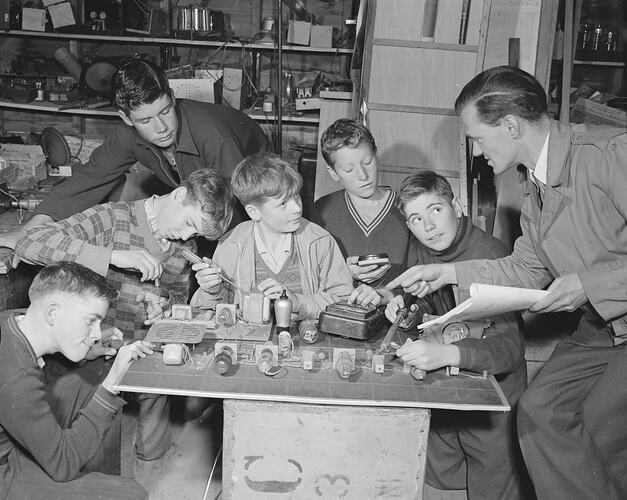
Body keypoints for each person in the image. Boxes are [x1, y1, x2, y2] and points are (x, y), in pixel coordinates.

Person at [386, 65, 627, 500]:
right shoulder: (534, 187)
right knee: (538, 413)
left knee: (599, 436)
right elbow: (525, 268)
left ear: (512, 126)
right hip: (599, 330)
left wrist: (590, 283)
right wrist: (447, 272)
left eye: (477, 138)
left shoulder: (609, 155)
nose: (476, 152)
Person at [14, 168, 233, 458]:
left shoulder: (184, 246)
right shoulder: (111, 219)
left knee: (172, 421)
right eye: (188, 223)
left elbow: (177, 297)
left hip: (141, 351)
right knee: (86, 445)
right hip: (89, 350)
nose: (185, 235)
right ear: (179, 195)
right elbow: (30, 241)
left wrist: (161, 303)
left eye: (195, 233)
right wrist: (112, 257)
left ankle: (150, 464)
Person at [0, 58, 267, 249]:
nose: (161, 128)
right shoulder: (126, 136)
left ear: (172, 98)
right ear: (126, 118)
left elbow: (238, 206)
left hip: (255, 179)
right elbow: (87, 181)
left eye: (165, 112)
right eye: (145, 120)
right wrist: (33, 227)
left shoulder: (213, 136)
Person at [382, 171, 527, 499]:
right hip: (443, 392)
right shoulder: (423, 249)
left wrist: (447, 354)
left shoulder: (491, 257)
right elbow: (431, 302)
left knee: (490, 488)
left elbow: (509, 349)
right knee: (440, 482)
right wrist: (407, 308)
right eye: (416, 218)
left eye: (435, 210)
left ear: (458, 206)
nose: (428, 226)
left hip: (492, 401)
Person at [0, 261, 152, 500]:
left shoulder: (13, 320)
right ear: (52, 313)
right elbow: (61, 465)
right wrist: (110, 388)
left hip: (11, 433)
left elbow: (38, 374)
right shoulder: (16, 378)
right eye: (91, 321)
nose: (95, 334)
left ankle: (94, 475)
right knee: (131, 495)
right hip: (5, 467)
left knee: (96, 370)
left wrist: (81, 351)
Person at [191, 153, 361, 319]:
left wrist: (297, 302)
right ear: (254, 212)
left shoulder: (319, 241)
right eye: (283, 203)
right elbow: (206, 313)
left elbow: (344, 302)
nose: (297, 208)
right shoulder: (231, 245)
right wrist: (212, 291)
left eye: (296, 196)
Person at [313, 118, 410, 286]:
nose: (363, 176)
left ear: (377, 156)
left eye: (367, 162)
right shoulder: (322, 212)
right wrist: (342, 273)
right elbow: (308, 276)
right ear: (333, 173)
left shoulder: (408, 208)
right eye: (349, 170)